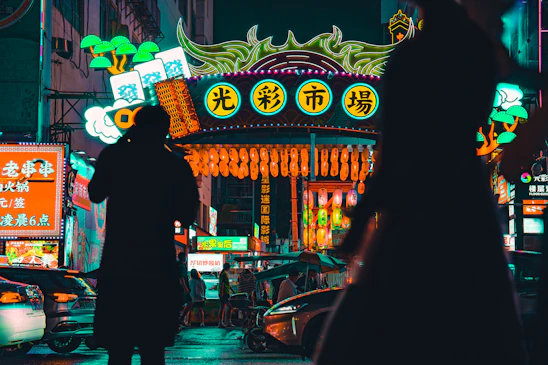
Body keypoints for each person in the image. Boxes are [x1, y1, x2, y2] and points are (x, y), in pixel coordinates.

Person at [315, 1, 529, 364]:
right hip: (467, 205)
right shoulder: (479, 48)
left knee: (363, 336)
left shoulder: (412, 55)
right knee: (487, 331)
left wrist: (361, 223)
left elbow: (391, 149)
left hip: (412, 209)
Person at [89, 105, 199, 365]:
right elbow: (188, 216)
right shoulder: (174, 164)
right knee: (153, 351)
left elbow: (94, 193)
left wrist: (119, 143)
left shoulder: (115, 156)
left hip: (119, 266)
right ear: (164, 131)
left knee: (118, 350)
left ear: (135, 126)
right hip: (156, 268)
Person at [218, 262, 234, 327]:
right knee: (230, 307)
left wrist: (232, 290)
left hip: (225, 292)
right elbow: (222, 284)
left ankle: (221, 322)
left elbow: (226, 284)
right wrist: (221, 293)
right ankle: (227, 321)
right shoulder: (224, 274)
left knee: (223, 308)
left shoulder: (223, 273)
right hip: (224, 293)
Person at [177, 252, 191, 328]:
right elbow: (181, 278)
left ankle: (180, 320)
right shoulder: (181, 266)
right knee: (186, 304)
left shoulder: (179, 265)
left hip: (182, 289)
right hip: (182, 290)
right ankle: (180, 320)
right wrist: (185, 288)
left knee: (187, 303)